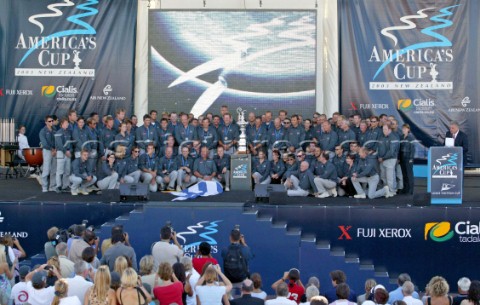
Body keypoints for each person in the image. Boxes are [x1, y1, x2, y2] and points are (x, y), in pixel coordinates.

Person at [222, 229, 254, 297]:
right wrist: (243, 243)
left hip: (229, 281)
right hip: (242, 280)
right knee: (244, 300)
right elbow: (250, 255)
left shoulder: (225, 250)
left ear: (230, 237)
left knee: (229, 301)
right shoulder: (245, 249)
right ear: (240, 238)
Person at [39, 115, 57, 192]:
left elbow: (57, 140)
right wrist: (52, 149)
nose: (51, 122)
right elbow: (44, 144)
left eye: (52, 121)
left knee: (54, 169)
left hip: (54, 151)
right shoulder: (42, 131)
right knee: (46, 169)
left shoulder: (54, 129)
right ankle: (44, 187)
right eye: (49, 121)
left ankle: (52, 186)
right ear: (46, 122)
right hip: (47, 151)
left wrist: (55, 149)